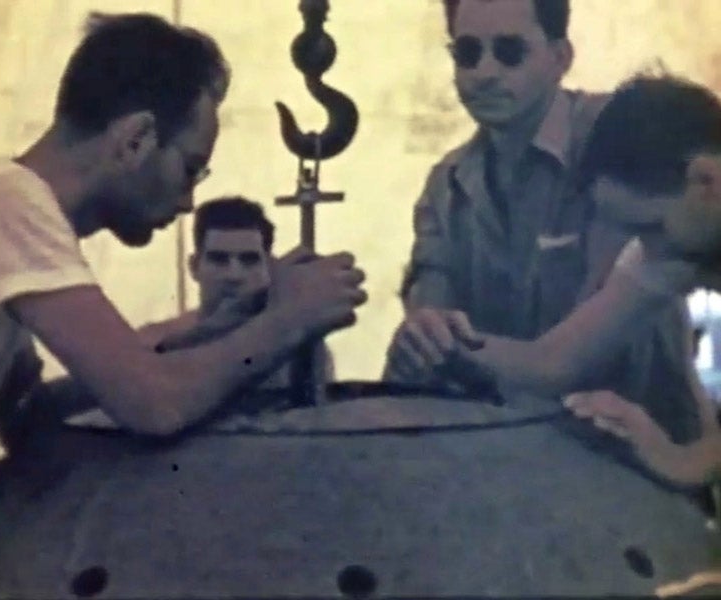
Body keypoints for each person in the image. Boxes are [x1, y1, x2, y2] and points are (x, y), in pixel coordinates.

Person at [0, 13, 366, 516]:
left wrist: (210, 335)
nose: (189, 202)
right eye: (190, 168)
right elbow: (156, 404)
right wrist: (287, 321)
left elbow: (32, 416)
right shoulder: (7, 203)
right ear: (136, 139)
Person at [388, 75, 721, 485]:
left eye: (651, 228)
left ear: (706, 180)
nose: (649, 253)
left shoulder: (673, 242)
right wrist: (443, 341)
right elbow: (556, 361)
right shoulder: (670, 245)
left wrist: (686, 462)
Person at [393, 0, 606, 349]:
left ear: (560, 58)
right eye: (468, 53)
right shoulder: (447, 187)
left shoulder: (615, 141)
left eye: (510, 51)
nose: (484, 72)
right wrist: (426, 332)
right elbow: (432, 324)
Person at [139, 195, 335, 387]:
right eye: (219, 260)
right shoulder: (153, 345)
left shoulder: (295, 355)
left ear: (269, 268)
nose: (234, 275)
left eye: (249, 260)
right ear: (194, 266)